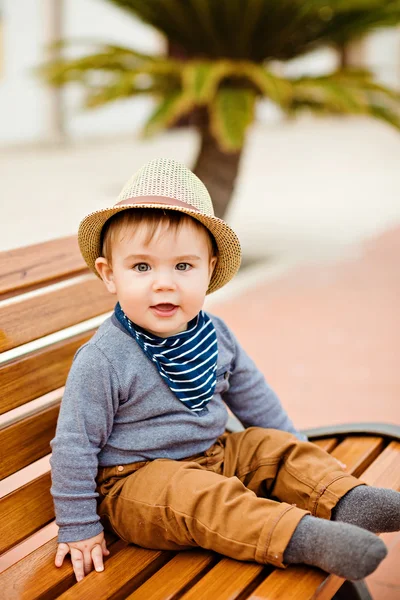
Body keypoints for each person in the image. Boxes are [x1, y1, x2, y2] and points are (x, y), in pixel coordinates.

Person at [50, 158, 400, 584]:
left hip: (216, 456)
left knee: (272, 445)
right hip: (137, 485)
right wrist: (79, 525)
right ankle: (305, 538)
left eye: (183, 266)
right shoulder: (103, 358)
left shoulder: (214, 334)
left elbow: (255, 397)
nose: (164, 283)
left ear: (209, 270)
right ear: (110, 275)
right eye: (142, 267)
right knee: (203, 496)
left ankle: (350, 501)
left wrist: (293, 456)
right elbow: (74, 445)